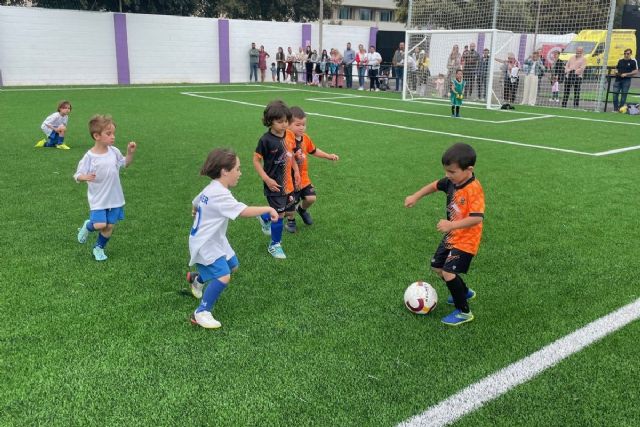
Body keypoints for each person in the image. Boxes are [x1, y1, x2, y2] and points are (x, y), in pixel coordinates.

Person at [186, 148, 278, 329]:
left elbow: (196, 202)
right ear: (224, 171)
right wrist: (267, 209)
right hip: (206, 243)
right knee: (223, 276)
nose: (240, 173)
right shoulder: (219, 194)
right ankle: (201, 313)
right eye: (237, 169)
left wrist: (196, 210)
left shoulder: (212, 187)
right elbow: (242, 211)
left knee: (232, 265)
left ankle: (198, 279)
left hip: (216, 239)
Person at [404, 142, 485, 326]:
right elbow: (434, 186)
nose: (448, 175)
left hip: (467, 239)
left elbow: (477, 218)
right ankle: (464, 292)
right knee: (437, 267)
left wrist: (451, 224)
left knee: (448, 273)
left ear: (469, 169)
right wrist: (415, 196)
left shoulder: (474, 189)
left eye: (452, 172)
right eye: (446, 171)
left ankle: (464, 312)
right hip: (452, 235)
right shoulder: (451, 181)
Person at [74, 115, 137, 261]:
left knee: (109, 227)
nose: (113, 137)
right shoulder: (89, 157)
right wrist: (85, 177)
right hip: (98, 198)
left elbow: (125, 164)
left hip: (115, 197)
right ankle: (88, 226)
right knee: (100, 224)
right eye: (108, 134)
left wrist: (129, 153)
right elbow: (77, 175)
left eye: (113, 133)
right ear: (96, 136)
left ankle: (99, 248)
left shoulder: (114, 151)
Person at [252, 100, 299, 259]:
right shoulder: (265, 140)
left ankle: (264, 216)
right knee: (279, 215)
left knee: (284, 213)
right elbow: (256, 160)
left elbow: (290, 155)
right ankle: (274, 245)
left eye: (286, 121)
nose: (284, 125)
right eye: (280, 122)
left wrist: (297, 172)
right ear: (270, 121)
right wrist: (266, 179)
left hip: (289, 183)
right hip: (274, 185)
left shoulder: (290, 135)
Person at [285, 106, 339, 232]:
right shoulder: (286, 140)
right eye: (298, 125)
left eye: (303, 124)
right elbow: (284, 156)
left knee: (311, 198)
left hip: (303, 178)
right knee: (290, 203)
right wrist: (293, 155)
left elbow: (313, 150)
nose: (302, 127)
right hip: (290, 179)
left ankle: (302, 210)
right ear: (288, 125)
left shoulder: (305, 138)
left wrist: (328, 156)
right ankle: (291, 221)